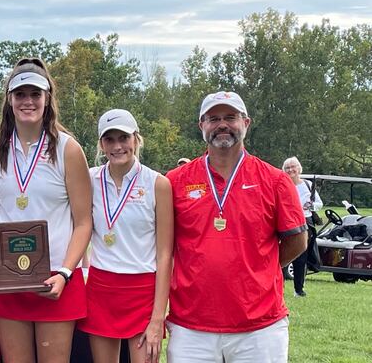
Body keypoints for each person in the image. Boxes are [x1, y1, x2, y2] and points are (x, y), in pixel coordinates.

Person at [165, 91, 307, 363]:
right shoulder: (175, 181)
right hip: (191, 326)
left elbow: (298, 241)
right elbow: (162, 246)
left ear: (246, 123)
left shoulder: (275, 180)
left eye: (230, 117)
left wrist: (259, 268)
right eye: (213, 119)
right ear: (201, 125)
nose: (222, 125)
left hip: (259, 327)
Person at [0, 57, 92, 363]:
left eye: (35, 94)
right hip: (8, 279)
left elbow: (84, 222)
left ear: (47, 98)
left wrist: (65, 273)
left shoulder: (68, 149)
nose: (28, 101)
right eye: (20, 94)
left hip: (55, 278)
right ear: (9, 100)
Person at [78, 109, 173, 363]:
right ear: (101, 144)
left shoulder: (157, 184)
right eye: (109, 140)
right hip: (101, 288)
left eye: (124, 138)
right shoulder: (89, 179)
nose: (117, 146)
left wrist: (158, 317)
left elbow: (165, 254)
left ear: (136, 139)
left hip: (143, 291)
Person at [282, 156, 323, 297]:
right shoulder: (281, 184)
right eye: (287, 168)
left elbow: (319, 204)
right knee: (281, 255)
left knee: (301, 256)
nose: (290, 170)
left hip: (305, 222)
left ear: (299, 168)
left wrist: (311, 206)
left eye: (293, 167)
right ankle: (277, 287)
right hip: (286, 222)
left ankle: (299, 290)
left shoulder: (308, 185)